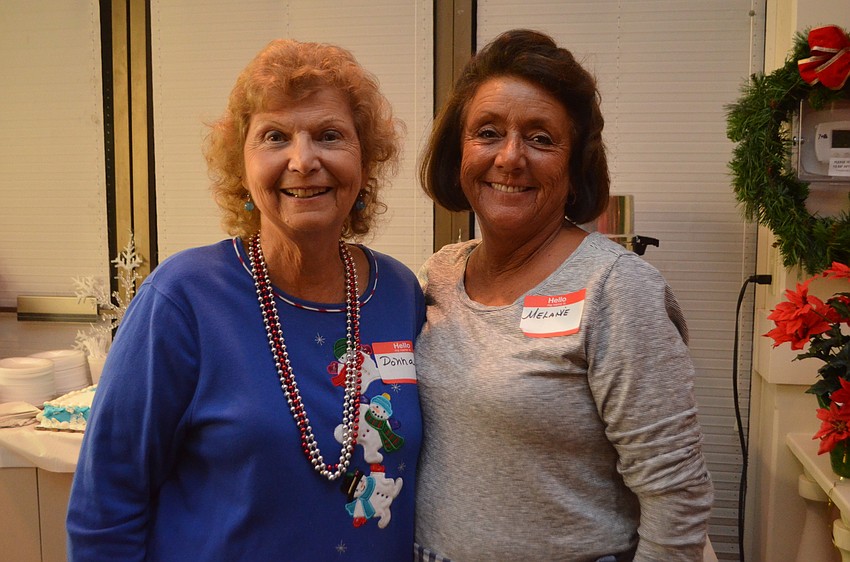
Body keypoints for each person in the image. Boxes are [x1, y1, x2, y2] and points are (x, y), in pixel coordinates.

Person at [67, 39, 425, 561]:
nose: (303, 161)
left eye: (330, 135)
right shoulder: (183, 299)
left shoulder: (398, 292)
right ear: (242, 166)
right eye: (275, 137)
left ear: (365, 163)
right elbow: (106, 510)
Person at [413, 29, 713, 561]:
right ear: (458, 153)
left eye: (541, 138)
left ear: (574, 170)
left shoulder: (616, 289)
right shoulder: (437, 276)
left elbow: (677, 500)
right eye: (487, 132)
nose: (509, 158)